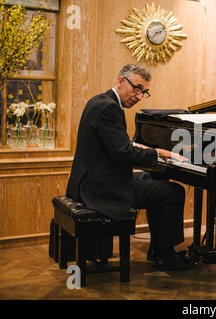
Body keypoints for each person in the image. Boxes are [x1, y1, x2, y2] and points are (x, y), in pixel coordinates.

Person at [66, 64, 190, 270]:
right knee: (174, 192)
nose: (140, 96)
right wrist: (158, 152)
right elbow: (123, 153)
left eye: (144, 92)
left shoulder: (100, 101)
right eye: (137, 88)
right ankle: (166, 255)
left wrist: (137, 146)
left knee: (154, 179)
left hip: (93, 180)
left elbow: (115, 145)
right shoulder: (110, 108)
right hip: (100, 190)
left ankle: (157, 249)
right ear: (121, 81)